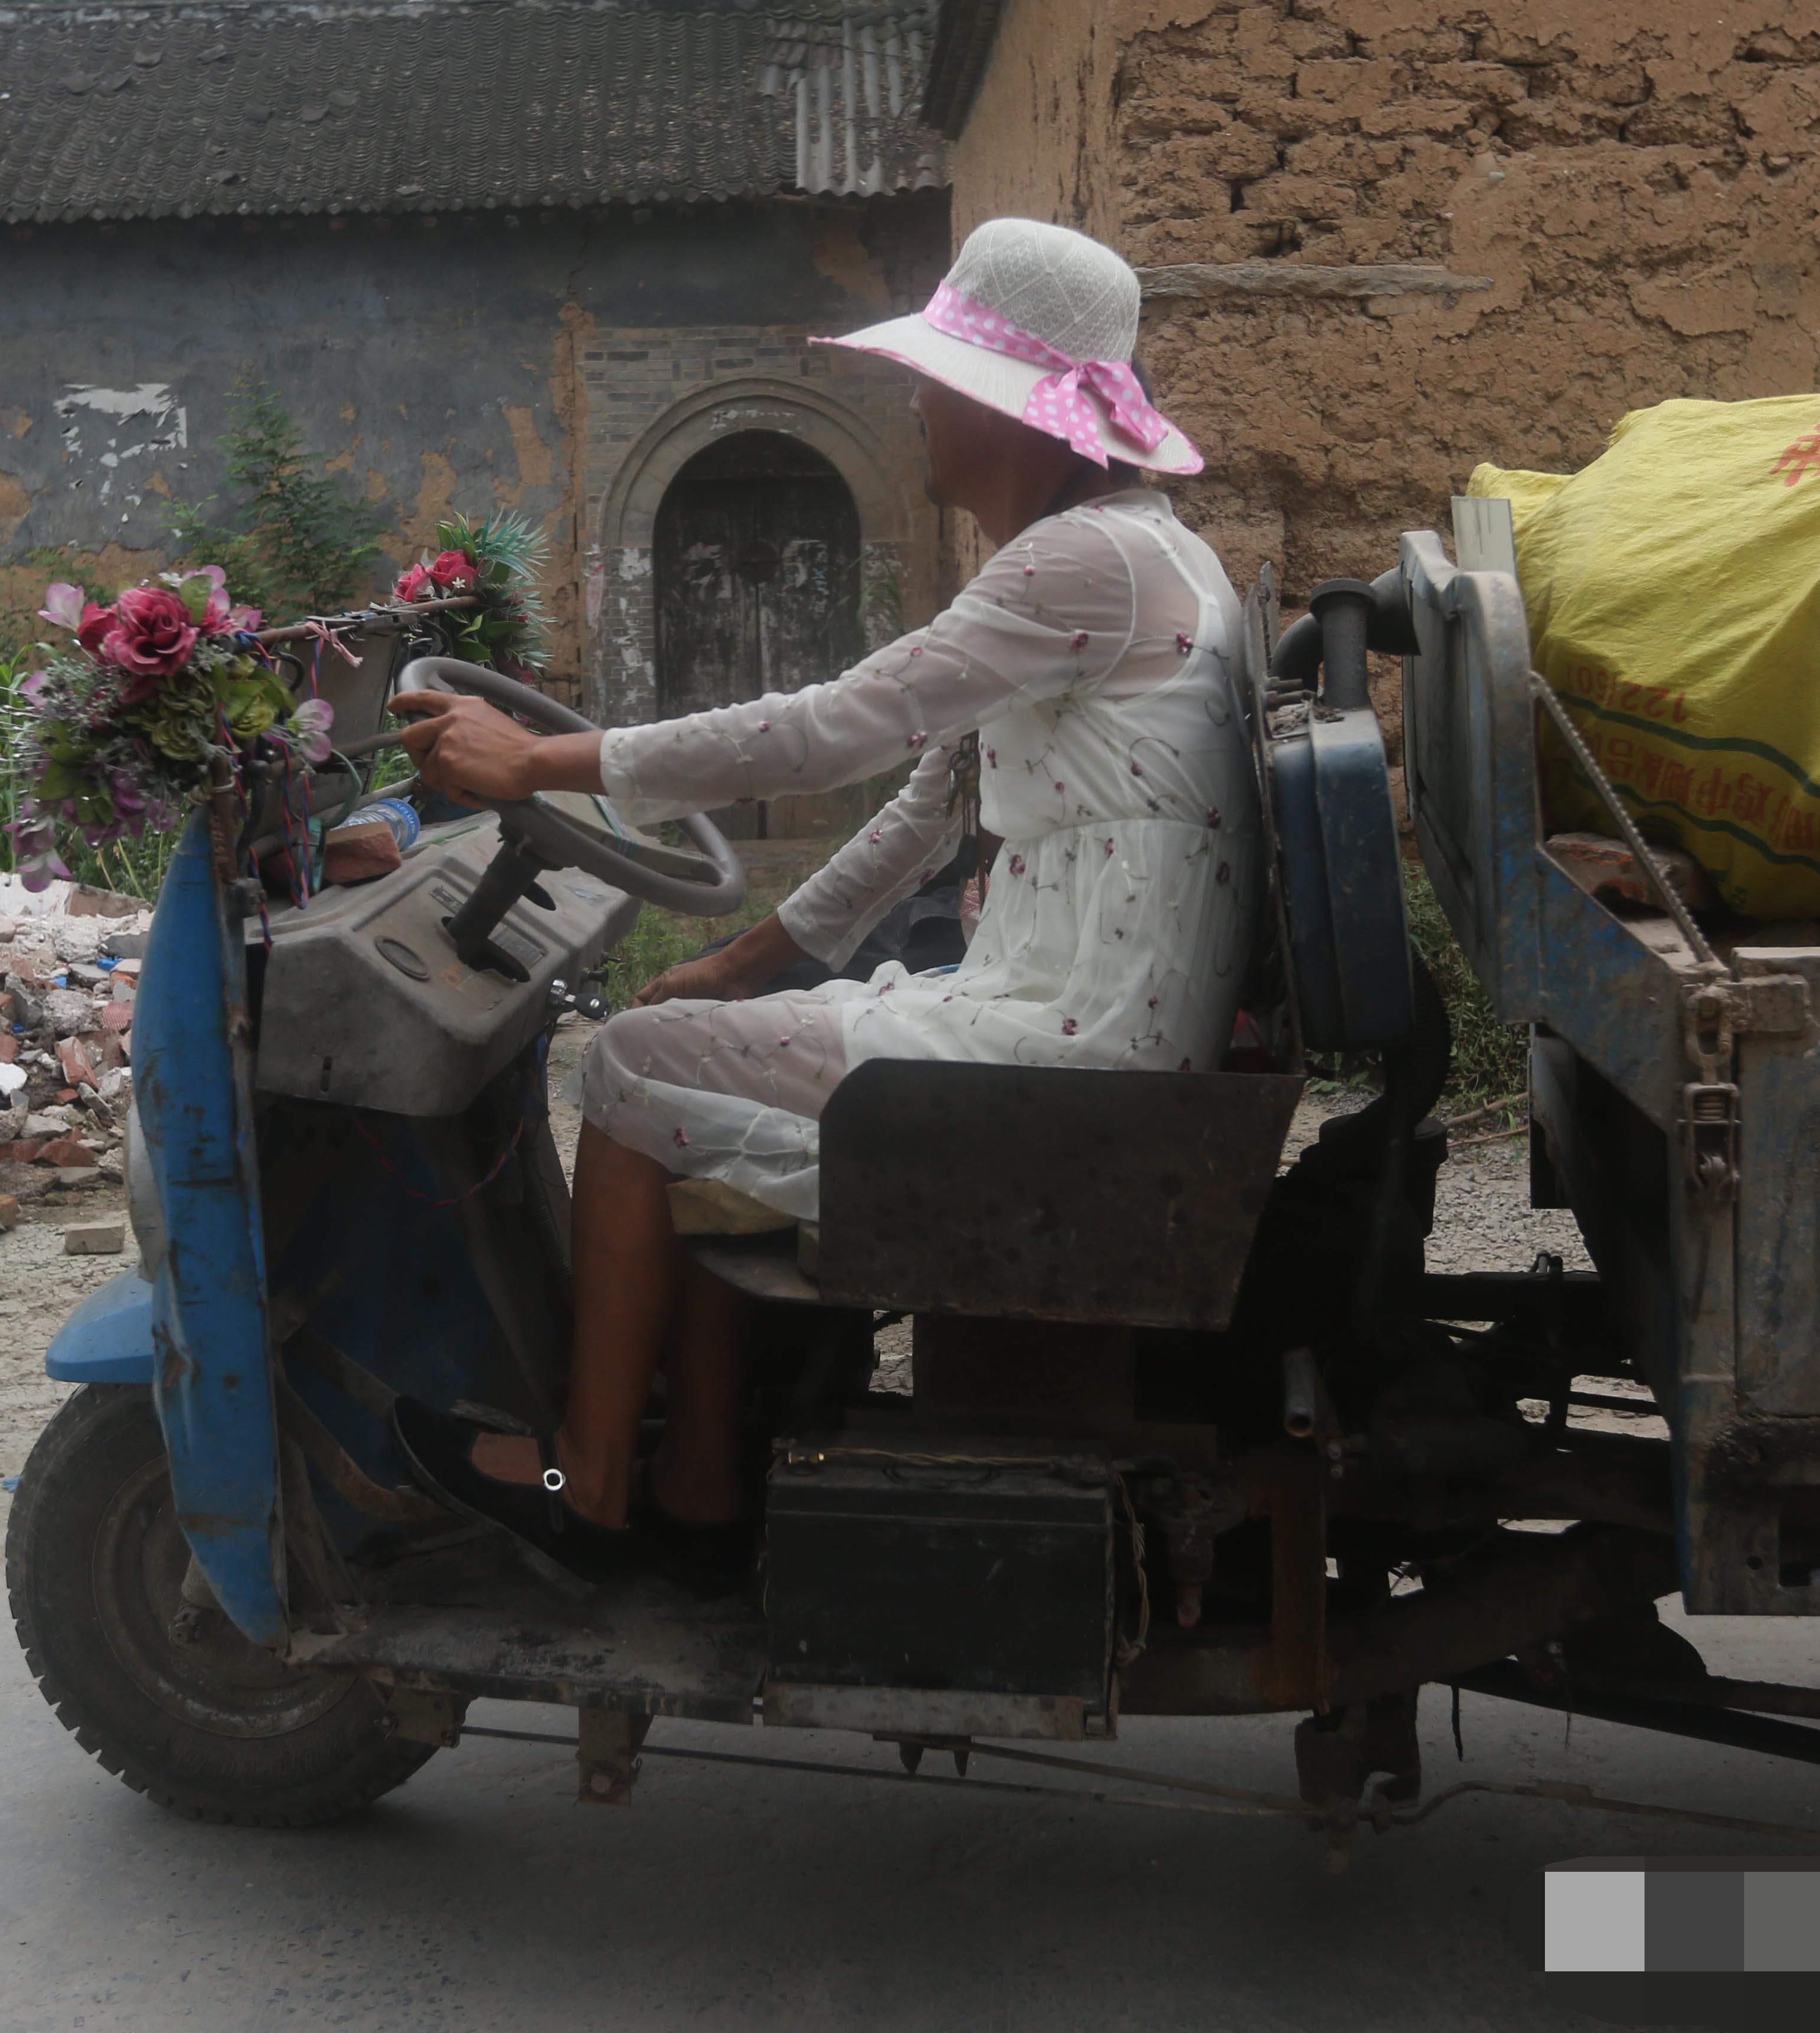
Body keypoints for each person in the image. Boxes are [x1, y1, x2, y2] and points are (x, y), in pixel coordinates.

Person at [387, 218, 1259, 1584]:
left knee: (625, 1066)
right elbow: (923, 811)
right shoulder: (1131, 555)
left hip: (1069, 1049)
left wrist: (540, 761)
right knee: (688, 1048)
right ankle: (699, 1480)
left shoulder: (1082, 565)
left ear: (1007, 411)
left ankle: (589, 1478)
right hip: (1078, 1014)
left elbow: (828, 729)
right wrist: (736, 964)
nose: (914, 408)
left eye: (935, 383)